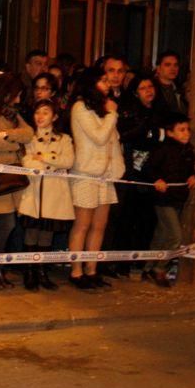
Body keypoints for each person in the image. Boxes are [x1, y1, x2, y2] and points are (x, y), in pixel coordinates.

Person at [68, 67, 124, 290]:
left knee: (100, 225)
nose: (108, 82)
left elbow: (113, 140)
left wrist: (118, 168)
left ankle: (92, 270)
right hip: (86, 173)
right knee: (83, 224)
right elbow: (100, 137)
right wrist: (112, 114)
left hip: (106, 174)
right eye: (102, 79)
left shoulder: (103, 108)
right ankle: (76, 271)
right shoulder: (80, 107)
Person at [0, 73, 34, 289]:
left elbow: (29, 133)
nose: (19, 100)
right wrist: (15, 144)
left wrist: (8, 135)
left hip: (11, 176)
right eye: (17, 95)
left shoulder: (11, 115)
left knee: (7, 224)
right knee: (5, 224)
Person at [17, 98, 73, 291]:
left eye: (45, 112)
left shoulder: (64, 139)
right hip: (34, 190)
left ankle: (41, 271)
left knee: (46, 235)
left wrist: (43, 158)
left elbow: (68, 161)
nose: (40, 116)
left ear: (55, 116)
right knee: (31, 232)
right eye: (37, 112)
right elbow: (27, 162)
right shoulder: (29, 137)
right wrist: (45, 162)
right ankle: (29, 271)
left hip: (55, 192)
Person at [143, 113, 195, 288]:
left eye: (187, 130)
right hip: (163, 199)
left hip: (179, 198)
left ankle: (147, 267)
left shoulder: (188, 150)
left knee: (161, 234)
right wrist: (157, 179)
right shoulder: (162, 150)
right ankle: (160, 269)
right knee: (175, 236)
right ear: (170, 132)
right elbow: (148, 168)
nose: (186, 133)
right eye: (181, 130)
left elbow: (192, 170)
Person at [113, 73, 164, 262]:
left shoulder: (160, 112)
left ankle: (141, 260)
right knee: (127, 216)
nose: (148, 91)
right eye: (143, 88)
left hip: (155, 170)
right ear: (135, 93)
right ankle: (121, 262)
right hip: (133, 171)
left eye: (150, 86)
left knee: (148, 219)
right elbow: (126, 136)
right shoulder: (129, 113)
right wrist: (146, 129)